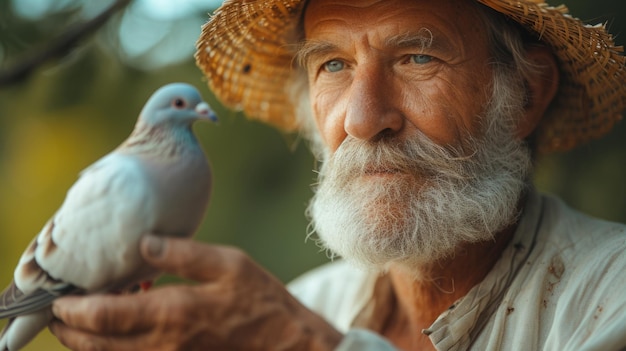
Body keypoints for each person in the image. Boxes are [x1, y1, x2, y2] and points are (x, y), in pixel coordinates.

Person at [49, 0, 626, 350]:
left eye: (417, 57)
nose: (364, 118)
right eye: (334, 65)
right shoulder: (306, 307)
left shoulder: (611, 297)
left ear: (526, 93)